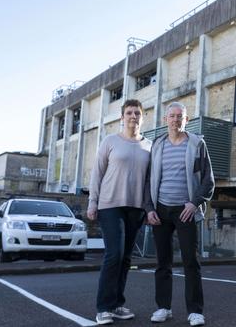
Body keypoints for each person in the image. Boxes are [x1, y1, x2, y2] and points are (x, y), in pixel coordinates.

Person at [144, 101, 214, 326]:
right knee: (162, 262)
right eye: (171, 116)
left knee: (190, 261)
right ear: (165, 120)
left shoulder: (197, 144)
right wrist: (149, 208)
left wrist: (194, 204)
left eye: (179, 116)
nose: (175, 120)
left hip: (186, 211)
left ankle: (195, 311)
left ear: (187, 119)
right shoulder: (157, 145)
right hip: (161, 211)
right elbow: (148, 181)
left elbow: (207, 180)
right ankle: (163, 308)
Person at [87, 99, 152, 325]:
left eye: (137, 113)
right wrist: (92, 202)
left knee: (125, 258)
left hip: (136, 208)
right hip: (110, 205)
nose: (133, 116)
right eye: (129, 113)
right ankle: (103, 308)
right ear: (122, 117)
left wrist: (148, 208)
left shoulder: (149, 146)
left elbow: (149, 181)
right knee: (114, 254)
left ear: (142, 117)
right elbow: (97, 173)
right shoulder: (110, 141)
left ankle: (117, 304)